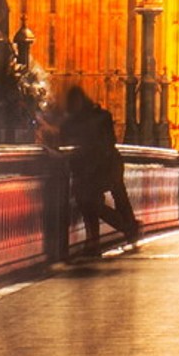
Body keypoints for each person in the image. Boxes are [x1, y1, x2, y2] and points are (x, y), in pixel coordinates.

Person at [57, 84, 141, 257]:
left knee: (90, 201)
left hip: (99, 167)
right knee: (102, 199)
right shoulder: (100, 116)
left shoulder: (79, 121)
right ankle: (120, 232)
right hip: (105, 166)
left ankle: (122, 230)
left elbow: (68, 141)